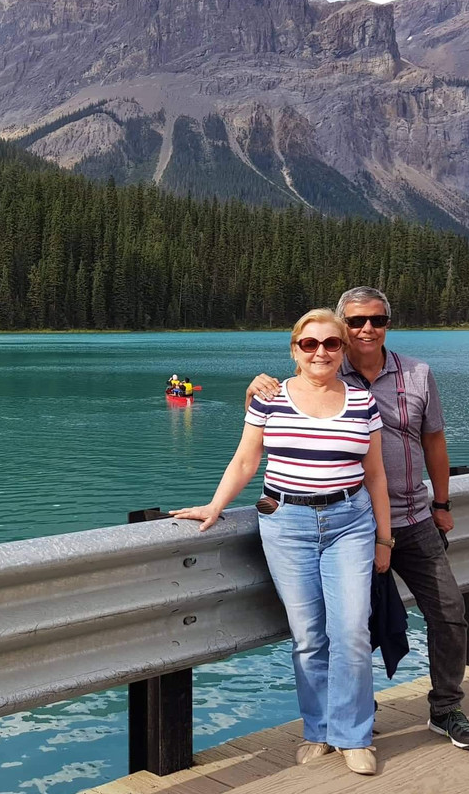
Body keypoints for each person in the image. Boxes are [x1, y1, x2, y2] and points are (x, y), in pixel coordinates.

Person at [246, 287, 469, 752]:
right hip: (349, 520)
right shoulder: (324, 368)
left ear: (388, 324)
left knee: (449, 612)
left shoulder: (417, 374)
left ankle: (446, 709)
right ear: (340, 327)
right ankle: (351, 719)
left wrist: (442, 503)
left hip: (412, 518)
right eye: (355, 322)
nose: (366, 329)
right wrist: (256, 387)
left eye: (377, 320)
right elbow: (273, 422)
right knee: (352, 627)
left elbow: (434, 440)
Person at [172, 309, 392, 776]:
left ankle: (353, 735)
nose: (320, 353)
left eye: (331, 344)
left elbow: (375, 475)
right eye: (309, 344)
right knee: (309, 636)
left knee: (351, 631)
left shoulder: (362, 402)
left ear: (343, 350)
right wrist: (215, 506)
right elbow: (246, 461)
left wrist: (384, 538)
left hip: (351, 522)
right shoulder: (269, 400)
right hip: (285, 521)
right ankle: (318, 731)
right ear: (295, 350)